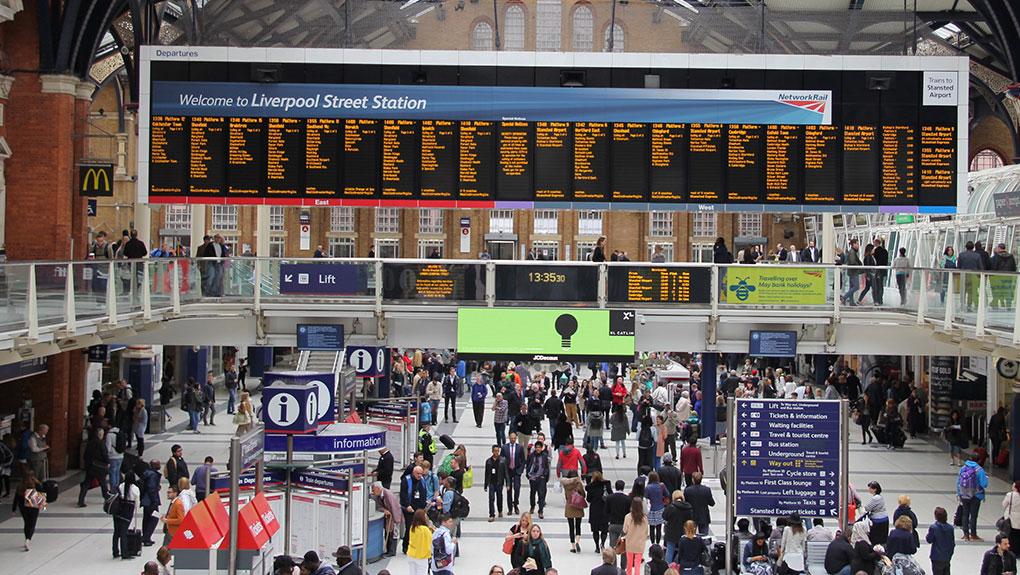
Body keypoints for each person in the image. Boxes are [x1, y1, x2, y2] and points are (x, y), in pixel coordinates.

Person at [958, 453, 990, 541]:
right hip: (976, 495)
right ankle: (973, 534)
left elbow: (958, 482)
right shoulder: (979, 470)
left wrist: (959, 493)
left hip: (964, 494)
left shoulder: (963, 468)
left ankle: (965, 534)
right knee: (973, 515)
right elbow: (984, 484)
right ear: (978, 460)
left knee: (965, 514)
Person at [11, 468, 43, 551]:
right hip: (33, 505)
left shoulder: (20, 486)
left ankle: (26, 538)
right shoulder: (36, 484)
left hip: (23, 507)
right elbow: (42, 492)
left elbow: (16, 498)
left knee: (27, 522)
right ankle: (28, 539)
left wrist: (13, 509)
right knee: (32, 523)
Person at [78, 427, 111, 507]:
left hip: (90, 466)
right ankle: (107, 498)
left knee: (86, 483)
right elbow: (104, 454)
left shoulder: (90, 442)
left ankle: (81, 499)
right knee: (103, 483)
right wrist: (108, 462)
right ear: (100, 434)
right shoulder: (101, 443)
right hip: (99, 467)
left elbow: (85, 455)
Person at [113, 470, 140, 559]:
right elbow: (137, 504)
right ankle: (125, 553)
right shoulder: (135, 489)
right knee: (124, 532)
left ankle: (115, 551)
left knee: (116, 532)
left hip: (118, 511)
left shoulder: (120, 486)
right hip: (127, 512)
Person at [621, 496, 650, 575]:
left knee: (629, 564)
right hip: (640, 544)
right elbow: (646, 533)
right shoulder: (644, 518)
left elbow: (624, 530)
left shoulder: (628, 517)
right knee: (637, 565)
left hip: (630, 543)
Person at [561, 468, 587, 552]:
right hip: (578, 506)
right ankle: (577, 541)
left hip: (569, 505)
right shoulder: (578, 483)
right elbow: (583, 494)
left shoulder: (566, 485)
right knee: (578, 525)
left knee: (571, 527)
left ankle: (573, 546)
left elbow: (565, 495)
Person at [926, 506, 955, 575]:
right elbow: (952, 542)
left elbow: (929, 540)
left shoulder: (933, 527)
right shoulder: (950, 528)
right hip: (947, 556)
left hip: (936, 556)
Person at [587, 470, 611, 551]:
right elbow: (611, 494)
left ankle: (597, 546)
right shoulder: (606, 484)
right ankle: (603, 544)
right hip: (604, 509)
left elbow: (588, 499)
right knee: (604, 530)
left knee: (595, 530)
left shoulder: (590, 487)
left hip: (594, 510)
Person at [140, 459, 163, 546]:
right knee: (155, 518)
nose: (160, 465)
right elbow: (151, 488)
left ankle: (145, 537)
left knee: (146, 518)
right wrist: (155, 500)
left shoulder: (147, 473)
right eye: (158, 464)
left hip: (146, 500)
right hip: (151, 501)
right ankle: (146, 537)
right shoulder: (153, 475)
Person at [503, 432, 526, 515]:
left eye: (514, 438)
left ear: (516, 438)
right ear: (509, 438)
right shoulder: (504, 447)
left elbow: (523, 460)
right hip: (508, 471)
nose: (513, 439)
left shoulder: (519, 447)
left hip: (516, 471)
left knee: (517, 488)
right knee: (509, 490)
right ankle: (510, 508)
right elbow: (502, 460)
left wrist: (520, 470)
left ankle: (515, 504)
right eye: (511, 438)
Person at [527, 441, 551, 519]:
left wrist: (544, 476)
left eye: (539, 447)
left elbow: (547, 467)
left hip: (541, 478)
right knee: (532, 493)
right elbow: (528, 464)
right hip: (533, 477)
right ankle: (532, 506)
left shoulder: (544, 456)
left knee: (541, 494)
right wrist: (528, 474)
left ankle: (540, 511)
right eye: (536, 447)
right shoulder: (531, 455)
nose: (538, 449)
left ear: (541, 448)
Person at [485, 444, 508, 521]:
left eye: (498, 451)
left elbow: (506, 472)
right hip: (491, 482)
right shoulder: (488, 461)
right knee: (491, 498)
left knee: (499, 497)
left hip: (499, 482)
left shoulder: (503, 460)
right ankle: (492, 514)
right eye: (495, 451)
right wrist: (485, 484)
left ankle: (500, 510)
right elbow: (486, 473)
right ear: (492, 451)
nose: (496, 452)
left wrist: (507, 483)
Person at [406, 509, 433, 575]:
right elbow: (430, 541)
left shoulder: (412, 527)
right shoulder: (425, 529)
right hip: (422, 556)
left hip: (411, 554)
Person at [645, 471, 667, 546]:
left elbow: (646, 497)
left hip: (651, 509)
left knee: (651, 527)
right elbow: (667, 494)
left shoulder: (648, 487)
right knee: (659, 527)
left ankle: (652, 543)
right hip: (660, 508)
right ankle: (658, 543)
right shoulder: (661, 486)